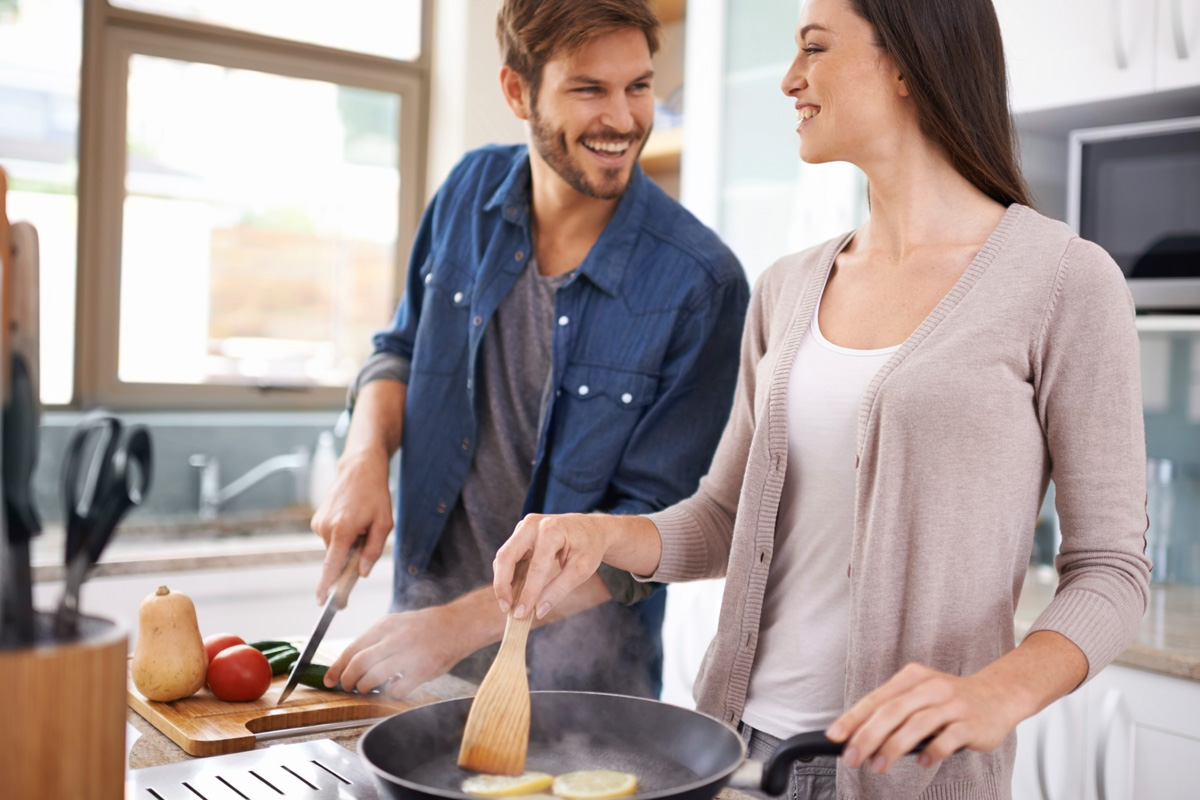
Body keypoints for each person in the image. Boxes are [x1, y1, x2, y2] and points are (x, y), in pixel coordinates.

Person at [492, 0, 1151, 798]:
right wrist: (596, 533)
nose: (789, 79)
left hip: (910, 775)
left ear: (907, 62)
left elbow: (1111, 570)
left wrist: (996, 693)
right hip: (735, 757)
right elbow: (725, 520)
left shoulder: (1063, 281)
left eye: (813, 48)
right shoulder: (789, 286)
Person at [311, 0, 748, 701]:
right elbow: (398, 350)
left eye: (638, 86)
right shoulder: (466, 192)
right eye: (588, 89)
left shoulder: (702, 283)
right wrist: (363, 457)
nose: (625, 118)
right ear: (517, 91)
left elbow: (653, 534)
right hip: (421, 652)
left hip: (583, 695)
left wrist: (462, 623)